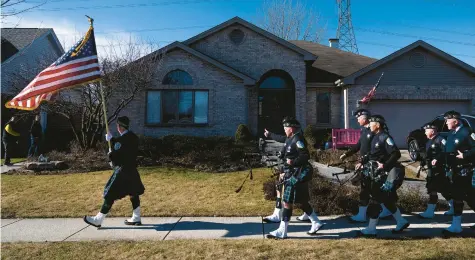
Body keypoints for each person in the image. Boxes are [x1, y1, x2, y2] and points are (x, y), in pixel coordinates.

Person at [265, 117, 323, 239]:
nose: (284, 130)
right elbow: (281, 139)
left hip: (297, 174)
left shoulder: (297, 139)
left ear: (291, 129)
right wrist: (270, 134)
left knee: (287, 202)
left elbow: (305, 155)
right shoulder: (289, 138)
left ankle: (282, 231)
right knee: (301, 201)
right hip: (291, 173)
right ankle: (316, 222)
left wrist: (293, 162)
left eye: (285, 128)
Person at [83, 116, 145, 227]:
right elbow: (124, 148)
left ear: (120, 127)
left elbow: (117, 154)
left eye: (118, 125)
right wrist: (112, 141)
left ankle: (98, 219)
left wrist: (110, 145)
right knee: (133, 193)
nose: (117, 127)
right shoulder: (134, 137)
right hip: (132, 170)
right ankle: (136, 217)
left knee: (110, 193)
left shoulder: (121, 140)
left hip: (122, 171)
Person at [357, 115, 410, 237]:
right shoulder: (375, 137)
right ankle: (401, 221)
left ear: (378, 125)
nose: (369, 124)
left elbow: (396, 154)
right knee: (385, 200)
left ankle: (371, 229)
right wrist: (362, 162)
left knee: (375, 199)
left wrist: (385, 166)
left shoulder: (385, 137)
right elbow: (373, 154)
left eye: (371, 122)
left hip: (385, 174)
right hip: (376, 173)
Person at [340, 109, 383, 223]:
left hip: (371, 165)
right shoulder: (365, 131)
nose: (358, 120)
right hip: (365, 164)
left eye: (358, 118)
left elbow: (374, 150)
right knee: (365, 189)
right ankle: (364, 214)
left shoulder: (374, 131)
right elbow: (359, 145)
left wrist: (363, 163)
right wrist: (347, 154)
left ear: (364, 118)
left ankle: (367, 215)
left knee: (369, 190)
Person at [440, 110, 475, 236]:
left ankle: (456, 226)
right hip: (454, 169)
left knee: (457, 196)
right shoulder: (451, 133)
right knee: (470, 197)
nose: (446, 122)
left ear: (455, 120)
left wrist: (465, 155)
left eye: (448, 120)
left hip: (464, 169)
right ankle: (456, 225)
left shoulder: (466, 132)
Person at [418, 124, 454, 219]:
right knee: (443, 189)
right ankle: (453, 207)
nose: (425, 132)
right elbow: (427, 156)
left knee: (432, 189)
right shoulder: (429, 142)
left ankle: (430, 212)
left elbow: (447, 151)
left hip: (439, 169)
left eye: (427, 130)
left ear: (433, 131)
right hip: (432, 169)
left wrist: (438, 159)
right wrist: (421, 164)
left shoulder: (440, 139)